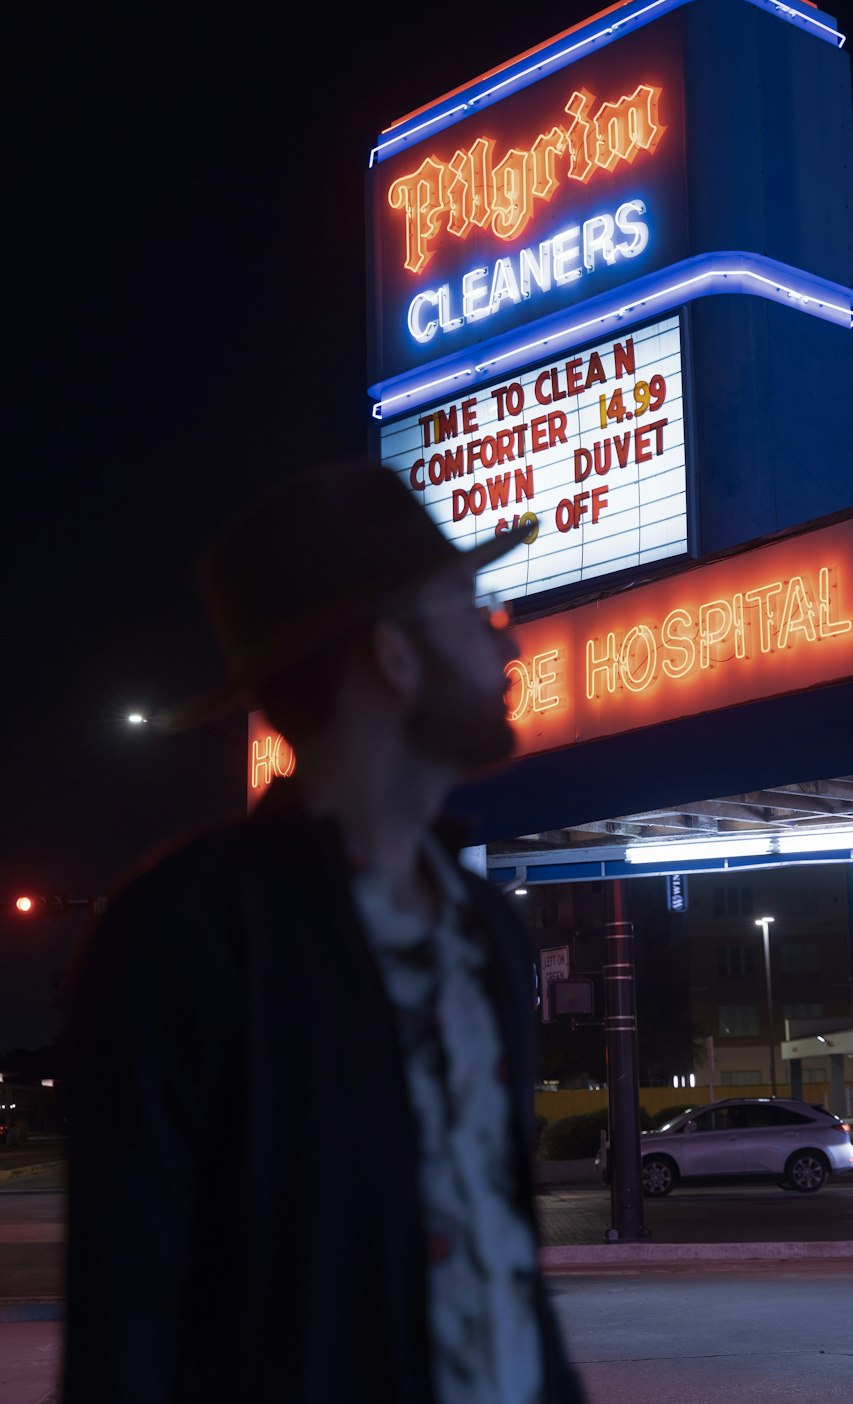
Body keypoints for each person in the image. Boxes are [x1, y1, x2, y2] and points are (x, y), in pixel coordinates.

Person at [60, 458, 587, 1404]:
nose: (509, 649)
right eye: (477, 613)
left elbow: (506, 1261)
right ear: (392, 654)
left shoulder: (486, 934)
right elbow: (127, 1312)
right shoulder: (187, 934)